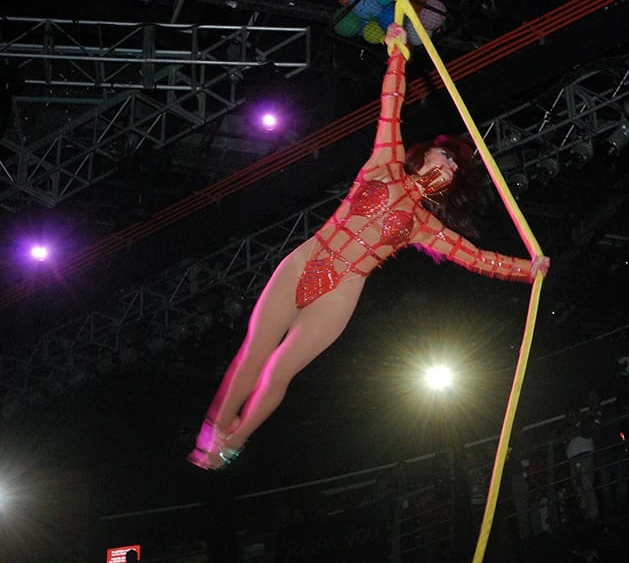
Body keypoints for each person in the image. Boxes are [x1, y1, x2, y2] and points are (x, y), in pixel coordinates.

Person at [187, 24, 550, 470]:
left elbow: (475, 258)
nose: (451, 166)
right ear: (426, 154)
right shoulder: (385, 164)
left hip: (342, 291)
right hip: (307, 259)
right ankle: (213, 430)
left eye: (456, 168)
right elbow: (390, 107)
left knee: (281, 369)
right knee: (256, 349)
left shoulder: (424, 225)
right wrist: (397, 52)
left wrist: (526, 268)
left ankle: (233, 442)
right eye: (448, 156)